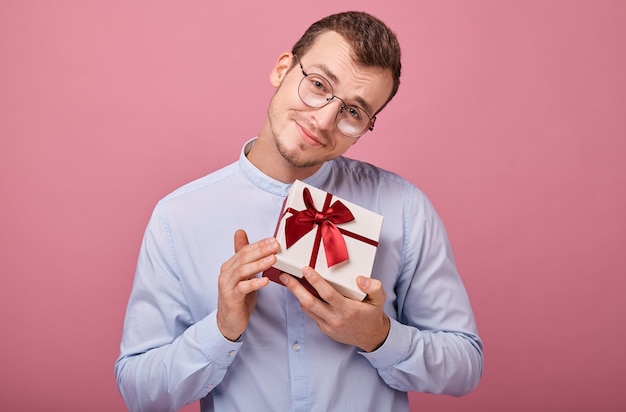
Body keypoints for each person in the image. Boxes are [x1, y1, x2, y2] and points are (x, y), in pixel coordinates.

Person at [115, 10, 483, 412]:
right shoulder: (178, 218)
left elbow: (465, 366)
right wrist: (220, 331)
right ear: (283, 69)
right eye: (319, 84)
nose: (324, 120)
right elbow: (139, 392)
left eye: (354, 112)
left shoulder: (406, 209)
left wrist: (378, 336)